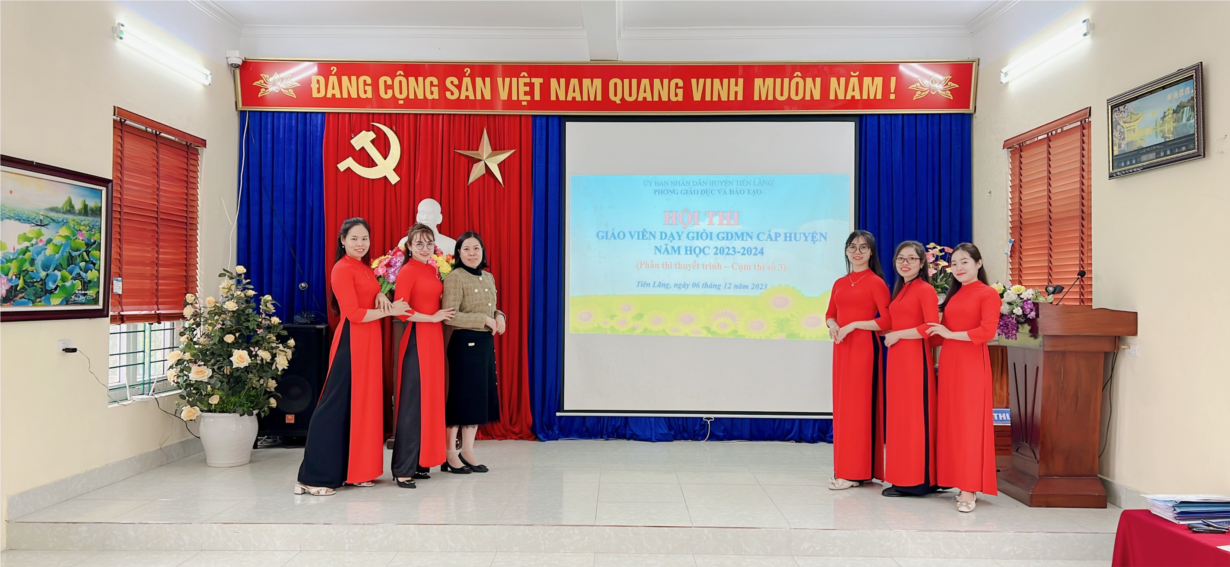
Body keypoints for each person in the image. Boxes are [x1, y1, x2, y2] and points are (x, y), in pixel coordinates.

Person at [296, 218, 407, 496]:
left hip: (369, 343)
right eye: (354, 238)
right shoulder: (342, 268)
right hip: (352, 342)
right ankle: (312, 478)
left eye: (364, 238)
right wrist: (391, 311)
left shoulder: (366, 268)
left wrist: (381, 297)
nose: (360, 243)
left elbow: (371, 295)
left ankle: (355, 472)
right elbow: (354, 314)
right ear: (343, 240)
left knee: (362, 407)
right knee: (335, 406)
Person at [926, 243, 1001, 512]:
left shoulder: (988, 294)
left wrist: (949, 335)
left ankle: (969, 488)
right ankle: (953, 479)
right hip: (950, 364)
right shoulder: (954, 295)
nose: (958, 267)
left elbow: (987, 331)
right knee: (952, 423)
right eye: (954, 263)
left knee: (969, 424)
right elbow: (939, 333)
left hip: (971, 365)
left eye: (964, 262)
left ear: (978, 264)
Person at [825, 230, 891, 490]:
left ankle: (853, 473)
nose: (857, 252)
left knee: (858, 409)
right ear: (846, 250)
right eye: (852, 247)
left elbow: (887, 321)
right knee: (844, 409)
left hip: (864, 349)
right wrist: (833, 325)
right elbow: (830, 314)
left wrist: (853, 325)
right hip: (841, 348)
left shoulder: (876, 282)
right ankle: (847, 468)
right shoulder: (840, 283)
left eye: (864, 247)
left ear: (871, 252)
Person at [390, 223, 454, 488]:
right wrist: (432, 317)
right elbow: (400, 310)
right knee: (412, 403)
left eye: (429, 243)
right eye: (419, 243)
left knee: (428, 401)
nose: (425, 248)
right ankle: (402, 469)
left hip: (433, 340)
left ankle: (419, 462)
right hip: (417, 338)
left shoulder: (431, 269)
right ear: (409, 246)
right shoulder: (407, 271)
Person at [440, 231, 505, 474]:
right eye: (466, 249)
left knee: (477, 399)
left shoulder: (488, 276)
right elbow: (450, 315)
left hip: (484, 343)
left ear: (482, 251)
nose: (472, 253)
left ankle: (467, 450)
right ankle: (450, 453)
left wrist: (499, 316)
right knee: (461, 399)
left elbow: (492, 307)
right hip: (464, 343)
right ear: (458, 252)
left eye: (476, 248)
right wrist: (484, 319)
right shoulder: (455, 277)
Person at [880, 240, 940, 498]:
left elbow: (931, 326)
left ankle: (917, 481)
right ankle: (903, 476)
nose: (905, 263)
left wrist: (898, 334)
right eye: (900, 258)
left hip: (914, 361)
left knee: (914, 418)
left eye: (911, 258)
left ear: (921, 263)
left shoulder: (925, 289)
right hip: (898, 360)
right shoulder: (902, 289)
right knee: (900, 418)